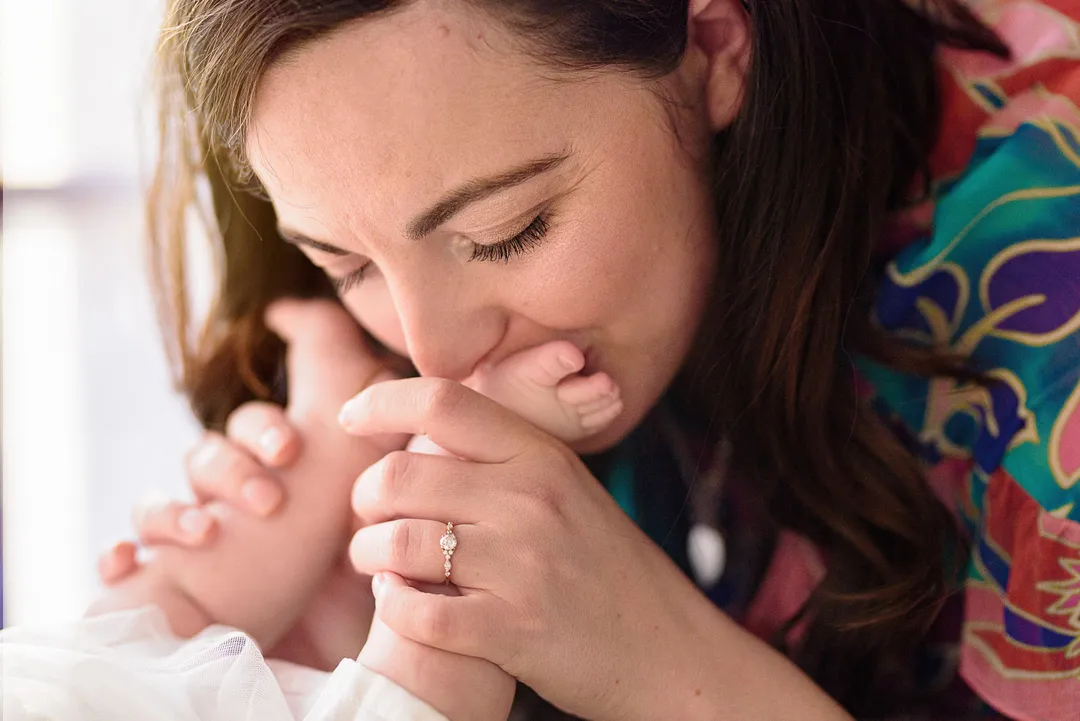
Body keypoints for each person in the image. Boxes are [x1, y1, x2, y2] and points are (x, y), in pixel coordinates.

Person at [96, 0, 1080, 718]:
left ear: (713, 42)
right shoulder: (376, 350)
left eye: (508, 230)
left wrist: (660, 663)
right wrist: (329, 651)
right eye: (344, 261)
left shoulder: (1051, 258)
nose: (432, 351)